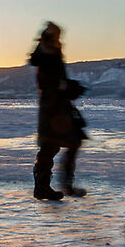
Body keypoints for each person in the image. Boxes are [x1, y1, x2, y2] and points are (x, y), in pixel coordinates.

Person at [27, 21, 88, 201]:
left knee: (69, 143)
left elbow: (55, 83)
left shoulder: (51, 53)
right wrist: (69, 87)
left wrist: (68, 87)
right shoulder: (47, 54)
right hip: (52, 109)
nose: (60, 40)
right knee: (50, 146)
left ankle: (61, 185)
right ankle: (43, 187)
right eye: (58, 36)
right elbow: (50, 84)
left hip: (59, 108)